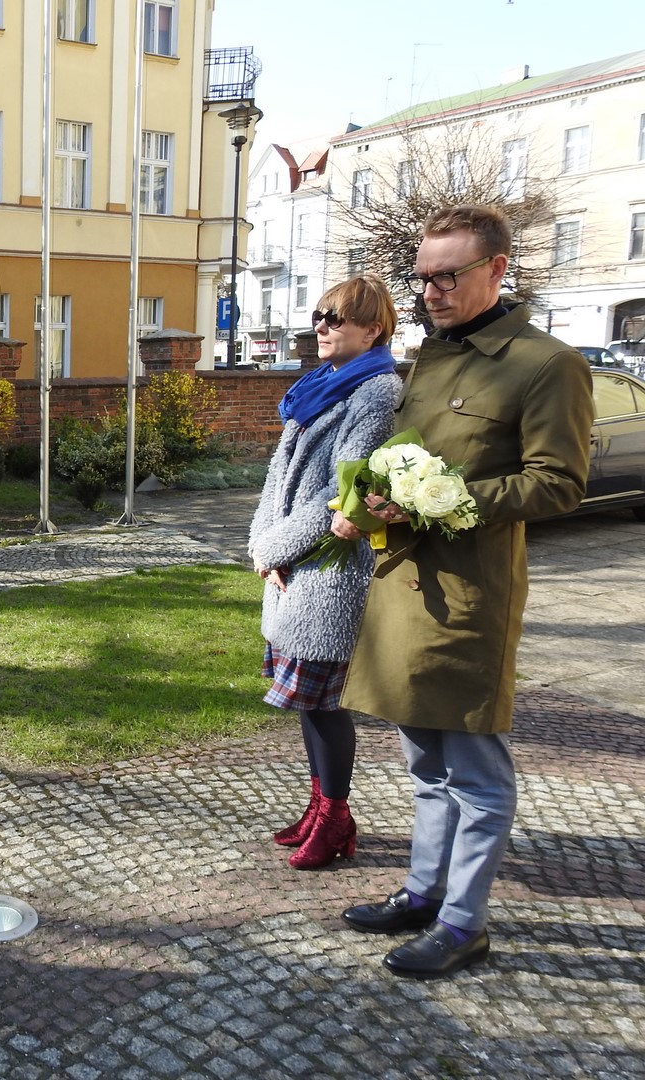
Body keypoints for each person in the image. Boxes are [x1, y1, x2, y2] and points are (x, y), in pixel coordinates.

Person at [335, 205, 593, 978]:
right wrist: (377, 495)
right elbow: (408, 454)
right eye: (422, 278)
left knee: (476, 773)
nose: (431, 292)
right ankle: (423, 891)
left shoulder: (546, 365)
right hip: (404, 589)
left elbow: (558, 484)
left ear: (497, 270)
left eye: (448, 276)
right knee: (423, 762)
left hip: (470, 594)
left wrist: (443, 500)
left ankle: (462, 922)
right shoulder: (432, 356)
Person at [248, 274, 402, 870]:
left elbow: (345, 490)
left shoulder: (375, 392)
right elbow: (277, 480)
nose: (323, 327)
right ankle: (320, 808)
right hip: (294, 565)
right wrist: (263, 547)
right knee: (311, 705)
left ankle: (335, 818)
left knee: (326, 703)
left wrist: (279, 548)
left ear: (373, 329)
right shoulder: (320, 386)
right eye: (319, 316)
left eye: (337, 318)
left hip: (332, 571)